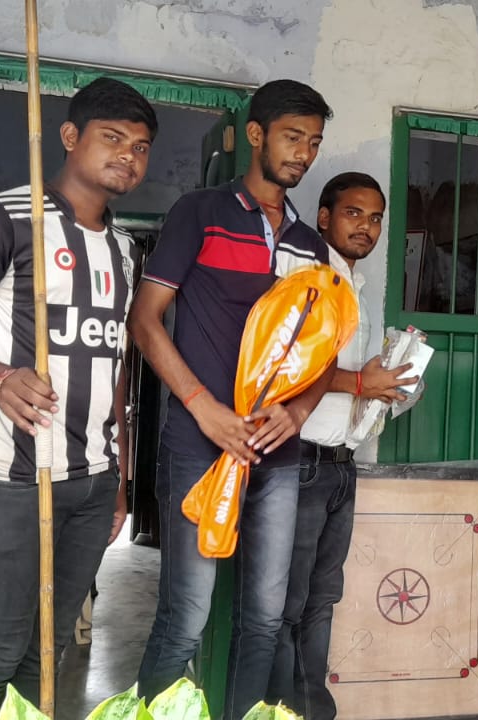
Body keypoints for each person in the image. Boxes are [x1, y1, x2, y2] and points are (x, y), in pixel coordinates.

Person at [0, 77, 156, 719]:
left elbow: (115, 367)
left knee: (45, 650)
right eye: (112, 138)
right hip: (11, 476)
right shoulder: (1, 218)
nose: (128, 155)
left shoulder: (125, 250)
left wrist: (121, 477)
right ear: (69, 137)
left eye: (140, 147)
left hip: (93, 480)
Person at [129, 79, 334, 701]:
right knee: (185, 619)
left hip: (278, 456)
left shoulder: (310, 245)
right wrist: (204, 409)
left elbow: (322, 352)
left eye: (314, 142)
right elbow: (145, 320)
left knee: (264, 622)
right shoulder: (201, 212)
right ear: (255, 135)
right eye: (293, 137)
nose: (304, 153)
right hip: (200, 446)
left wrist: (298, 412)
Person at [267, 171, 414, 720]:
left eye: (375, 218)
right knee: (287, 606)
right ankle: (279, 711)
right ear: (324, 217)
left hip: (339, 466)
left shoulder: (356, 286)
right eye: (354, 213)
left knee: (321, 601)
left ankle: (312, 711)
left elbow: (361, 377)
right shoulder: (307, 277)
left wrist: (392, 382)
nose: (366, 227)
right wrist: (359, 383)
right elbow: (281, 364)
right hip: (299, 462)